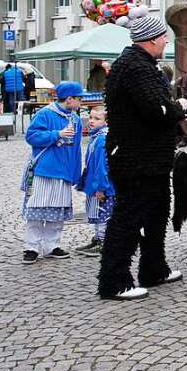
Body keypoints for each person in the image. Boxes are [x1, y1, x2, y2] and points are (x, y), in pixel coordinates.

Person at [97, 17, 185, 301]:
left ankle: (154, 268)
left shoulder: (141, 64)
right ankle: (114, 281)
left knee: (158, 213)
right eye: (164, 37)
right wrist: (178, 107)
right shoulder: (135, 67)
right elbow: (155, 110)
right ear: (151, 39)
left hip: (151, 159)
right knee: (128, 218)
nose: (167, 41)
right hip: (137, 158)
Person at [21, 82, 84, 264]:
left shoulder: (76, 120)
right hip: (44, 170)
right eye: (79, 99)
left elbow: (76, 149)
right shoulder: (45, 114)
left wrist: (75, 173)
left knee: (57, 211)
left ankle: (51, 246)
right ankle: (31, 247)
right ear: (70, 99)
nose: (80, 102)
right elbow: (32, 136)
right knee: (36, 210)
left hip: (63, 172)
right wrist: (57, 134)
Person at [76, 105, 114, 257]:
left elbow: (102, 166)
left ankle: (103, 242)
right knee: (98, 213)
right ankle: (98, 238)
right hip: (95, 184)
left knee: (103, 214)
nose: (91, 121)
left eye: (97, 119)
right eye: (91, 117)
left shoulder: (102, 140)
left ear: (106, 122)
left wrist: (100, 187)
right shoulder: (96, 137)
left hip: (103, 187)